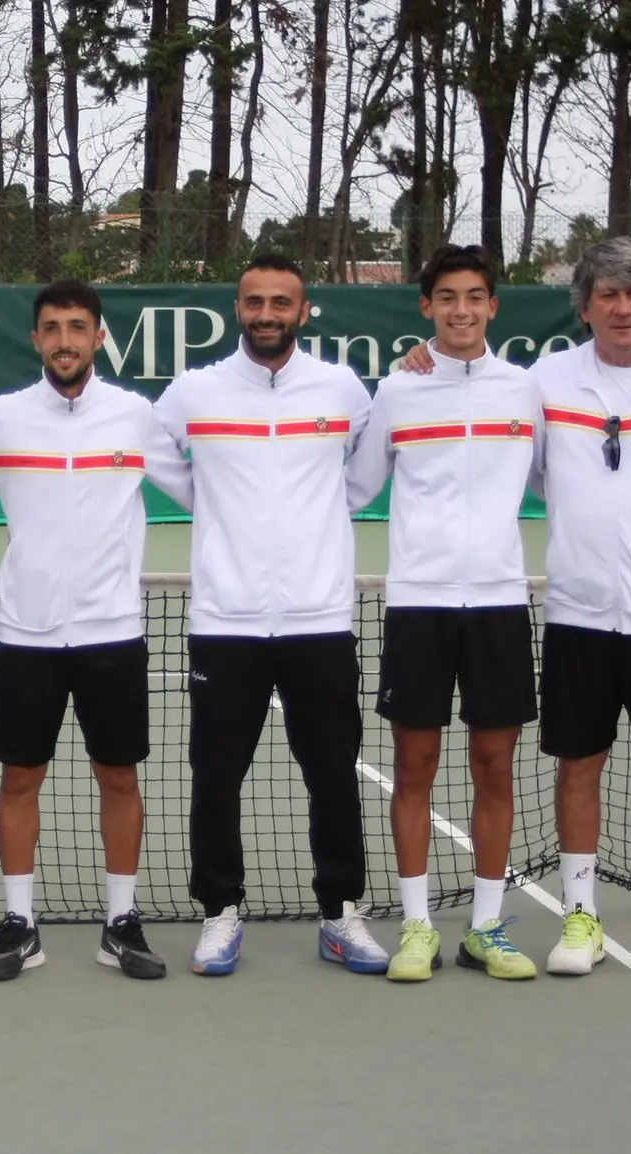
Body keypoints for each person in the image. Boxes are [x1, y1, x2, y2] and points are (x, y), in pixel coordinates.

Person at [0, 279, 190, 981]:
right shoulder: (4, 419)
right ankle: (19, 924)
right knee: (18, 780)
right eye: (51, 328)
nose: (64, 339)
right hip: (26, 634)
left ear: (99, 337)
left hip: (112, 632)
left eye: (76, 326)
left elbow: (199, 486)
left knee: (119, 776)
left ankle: (120, 922)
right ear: (35, 339)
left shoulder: (134, 415)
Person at [153, 253, 387, 976]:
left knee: (332, 774)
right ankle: (218, 912)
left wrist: (318, 519)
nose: (265, 313)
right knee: (215, 776)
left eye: (279, 301)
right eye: (253, 300)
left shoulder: (341, 388)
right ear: (237, 308)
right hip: (224, 622)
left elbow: (365, 471)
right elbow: (155, 454)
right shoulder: (194, 390)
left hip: (319, 618)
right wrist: (214, 507)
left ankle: (339, 913)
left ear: (302, 308)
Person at [346, 245, 540, 982]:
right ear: (425, 307)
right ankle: (418, 928)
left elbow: (561, 474)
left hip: (497, 606)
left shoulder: (524, 391)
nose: (461, 309)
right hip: (418, 606)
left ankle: (486, 926)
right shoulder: (395, 392)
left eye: (475, 297)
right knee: (414, 767)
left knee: (495, 766)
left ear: (493, 306)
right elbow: (352, 487)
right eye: (447, 297)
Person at [525, 237, 631, 979]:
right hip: (578, 611)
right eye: (605, 295)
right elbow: (527, 471)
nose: (621, 307)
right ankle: (580, 913)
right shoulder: (544, 381)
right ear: (585, 305)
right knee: (578, 764)